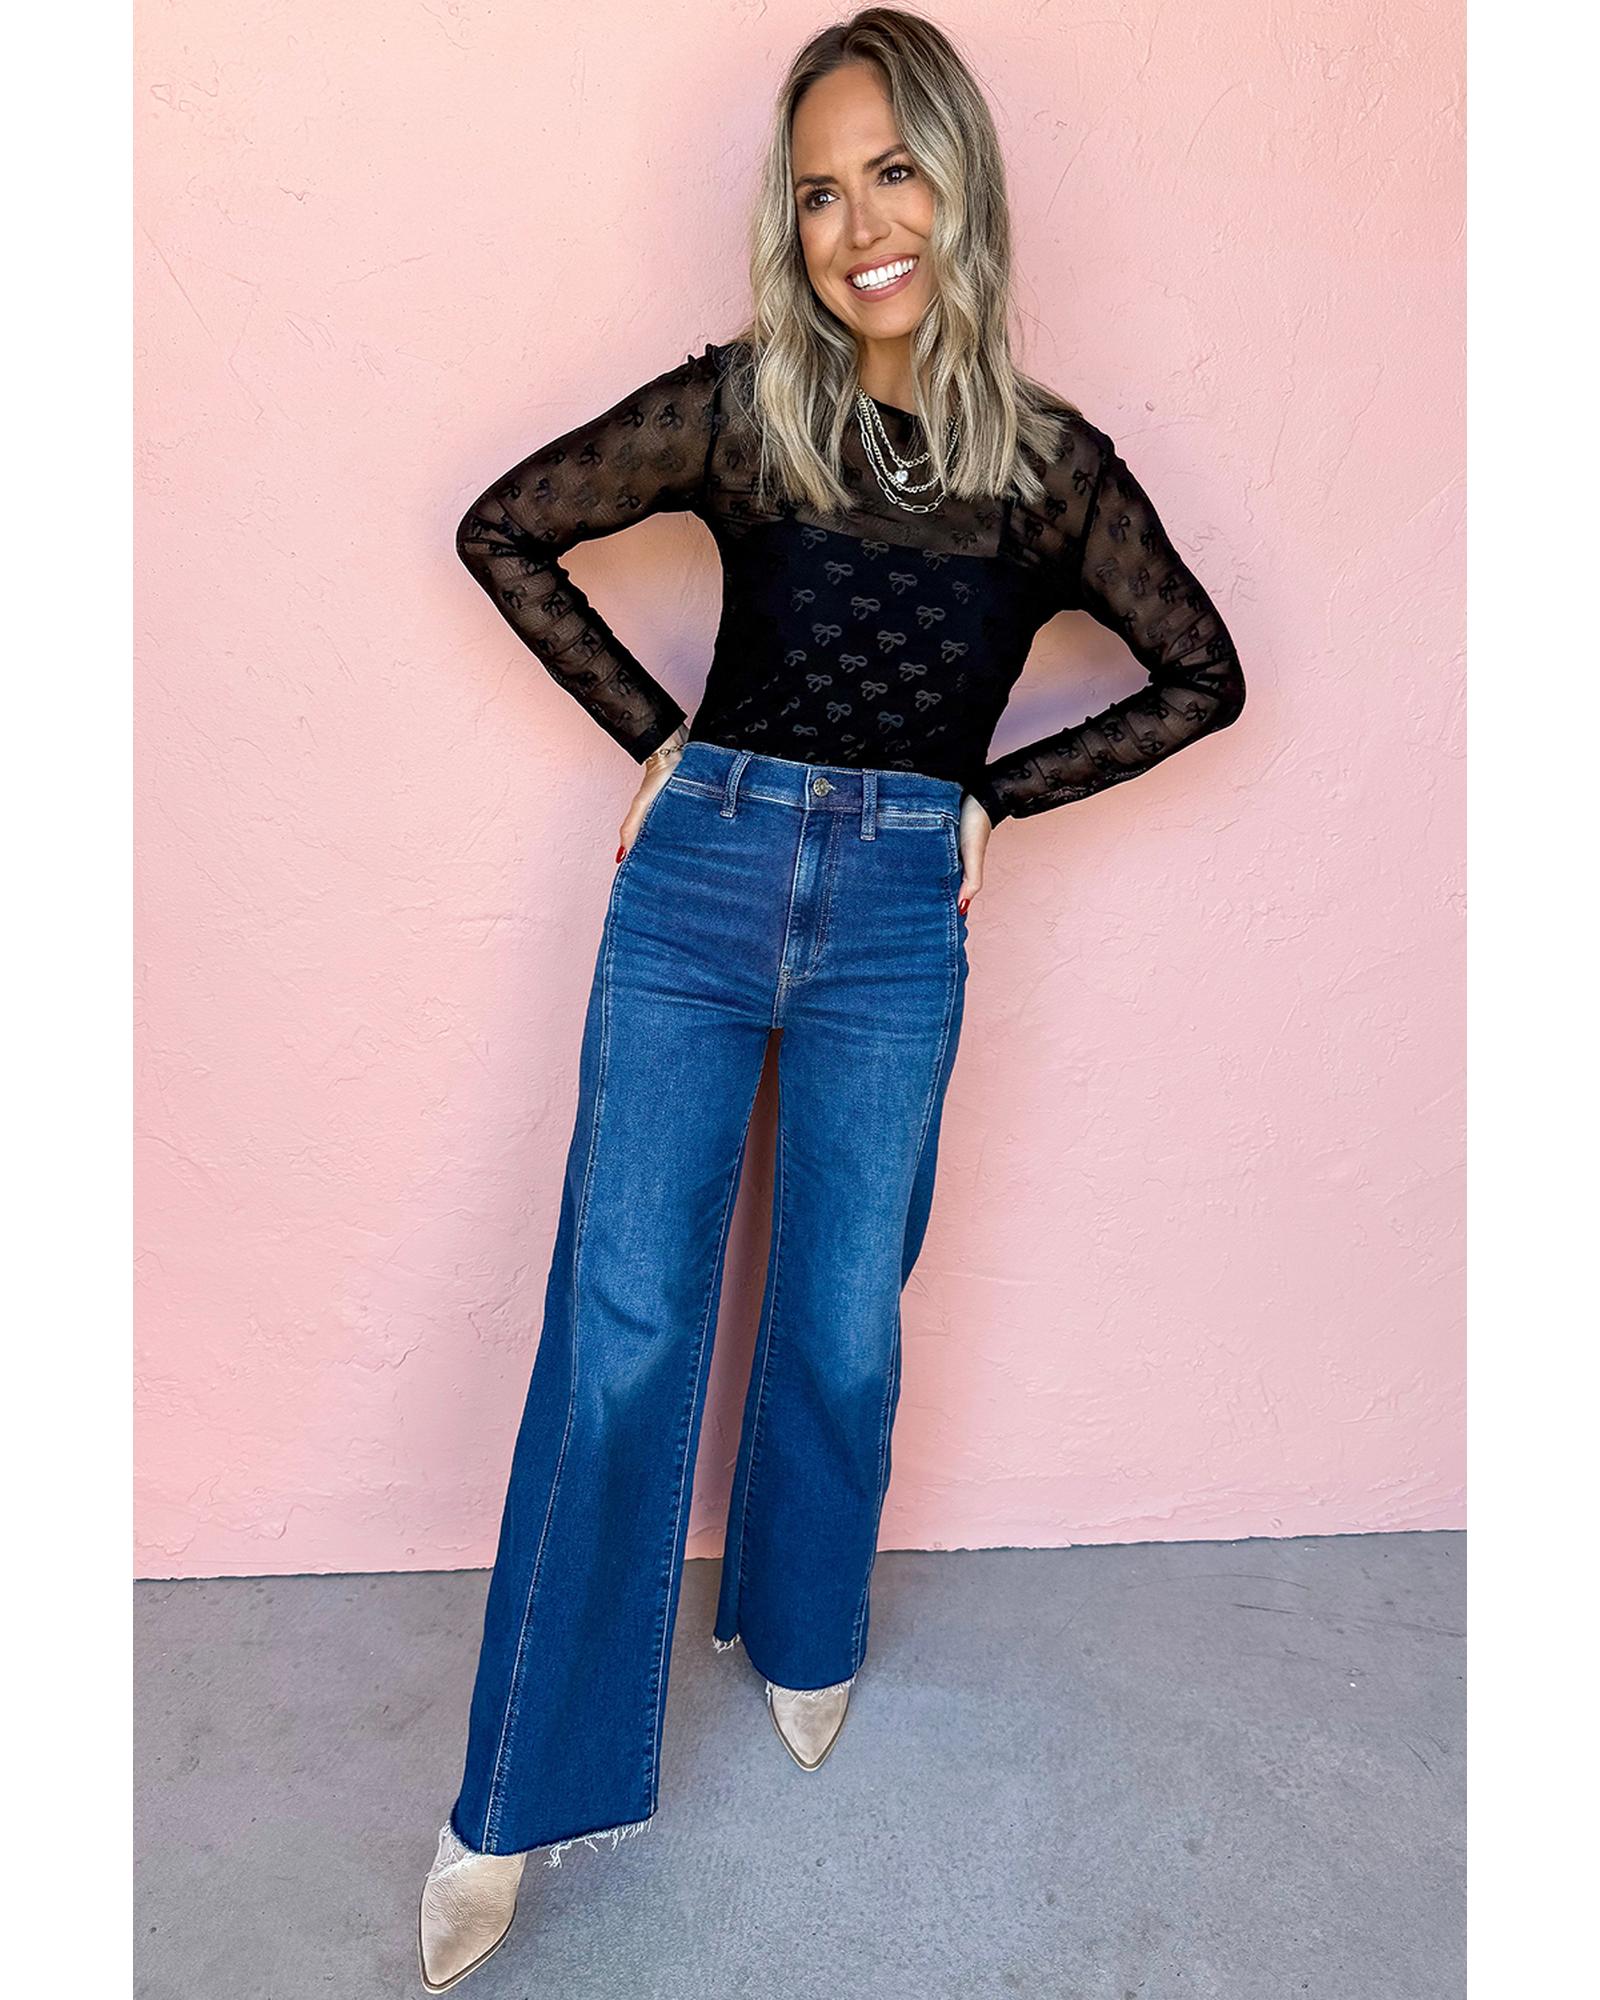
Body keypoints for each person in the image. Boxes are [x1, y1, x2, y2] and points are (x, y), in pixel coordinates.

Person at [417, 7, 1246, 1988]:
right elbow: (503, 526)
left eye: (892, 173)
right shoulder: (740, 409)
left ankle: (799, 1625)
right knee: (622, 1335)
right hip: (698, 883)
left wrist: (992, 797)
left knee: (844, 1321)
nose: (859, 226)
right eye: (815, 193)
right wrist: (654, 735)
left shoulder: (1052, 473)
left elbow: (1203, 673)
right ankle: (511, 1800)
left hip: (892, 913)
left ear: (960, 185)